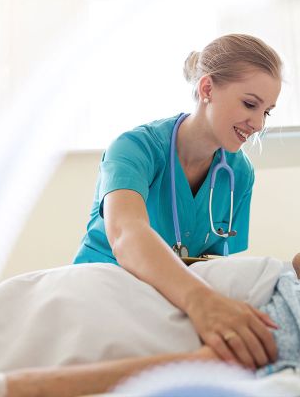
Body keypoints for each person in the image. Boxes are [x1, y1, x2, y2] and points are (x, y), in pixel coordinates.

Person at [0, 219, 300, 397]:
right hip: (43, 307)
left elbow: (188, 370)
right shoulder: (291, 285)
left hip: (47, 329)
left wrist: (10, 386)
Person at [72, 34, 283, 369]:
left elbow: (216, 265)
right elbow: (127, 234)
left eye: (267, 112)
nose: (258, 124)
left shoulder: (238, 173)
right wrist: (201, 302)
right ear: (207, 89)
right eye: (249, 104)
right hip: (102, 292)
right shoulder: (134, 148)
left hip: (170, 305)